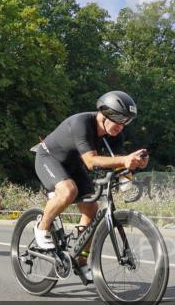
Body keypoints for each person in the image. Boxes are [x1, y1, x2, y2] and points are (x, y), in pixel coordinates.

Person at [33, 91, 149, 281]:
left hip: (73, 165)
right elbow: (91, 162)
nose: (121, 125)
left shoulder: (115, 134)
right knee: (68, 191)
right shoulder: (82, 123)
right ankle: (42, 227)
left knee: (92, 211)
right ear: (103, 113)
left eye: (126, 121)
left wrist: (134, 166)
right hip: (49, 158)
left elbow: (119, 163)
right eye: (118, 119)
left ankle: (81, 261)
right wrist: (124, 160)